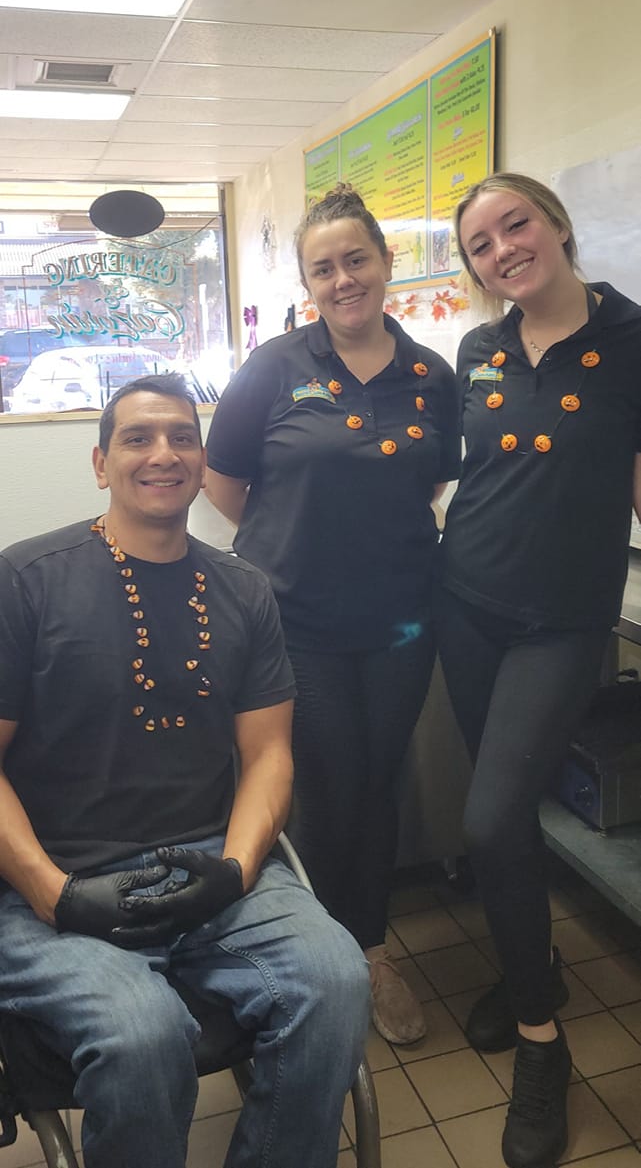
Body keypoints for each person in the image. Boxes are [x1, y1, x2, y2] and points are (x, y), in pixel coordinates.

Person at [0, 372, 370, 1168]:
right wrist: (53, 891)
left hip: (206, 863)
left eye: (181, 437)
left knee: (337, 979)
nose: (162, 453)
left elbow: (268, 754)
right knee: (143, 1033)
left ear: (203, 462)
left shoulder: (243, 588)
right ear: (100, 463)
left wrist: (235, 869)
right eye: (137, 437)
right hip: (55, 879)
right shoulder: (26, 579)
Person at [205, 183, 460, 1045]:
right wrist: (289, 540)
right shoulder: (274, 366)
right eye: (324, 268)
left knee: (377, 781)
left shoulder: (430, 375)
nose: (343, 278)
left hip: (400, 620)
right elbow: (223, 479)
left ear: (386, 263)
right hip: (295, 622)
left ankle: (370, 951)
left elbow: (428, 481)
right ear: (308, 283)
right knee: (320, 785)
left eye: (356, 260)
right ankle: (316, 965)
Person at [437, 173, 641, 1168]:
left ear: (555, 224)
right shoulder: (478, 348)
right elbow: (473, 471)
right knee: (504, 819)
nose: (501, 249)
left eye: (513, 224)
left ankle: (539, 1042)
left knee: (486, 818)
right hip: (464, 604)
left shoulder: (630, 340)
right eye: (479, 243)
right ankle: (535, 969)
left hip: (559, 622)